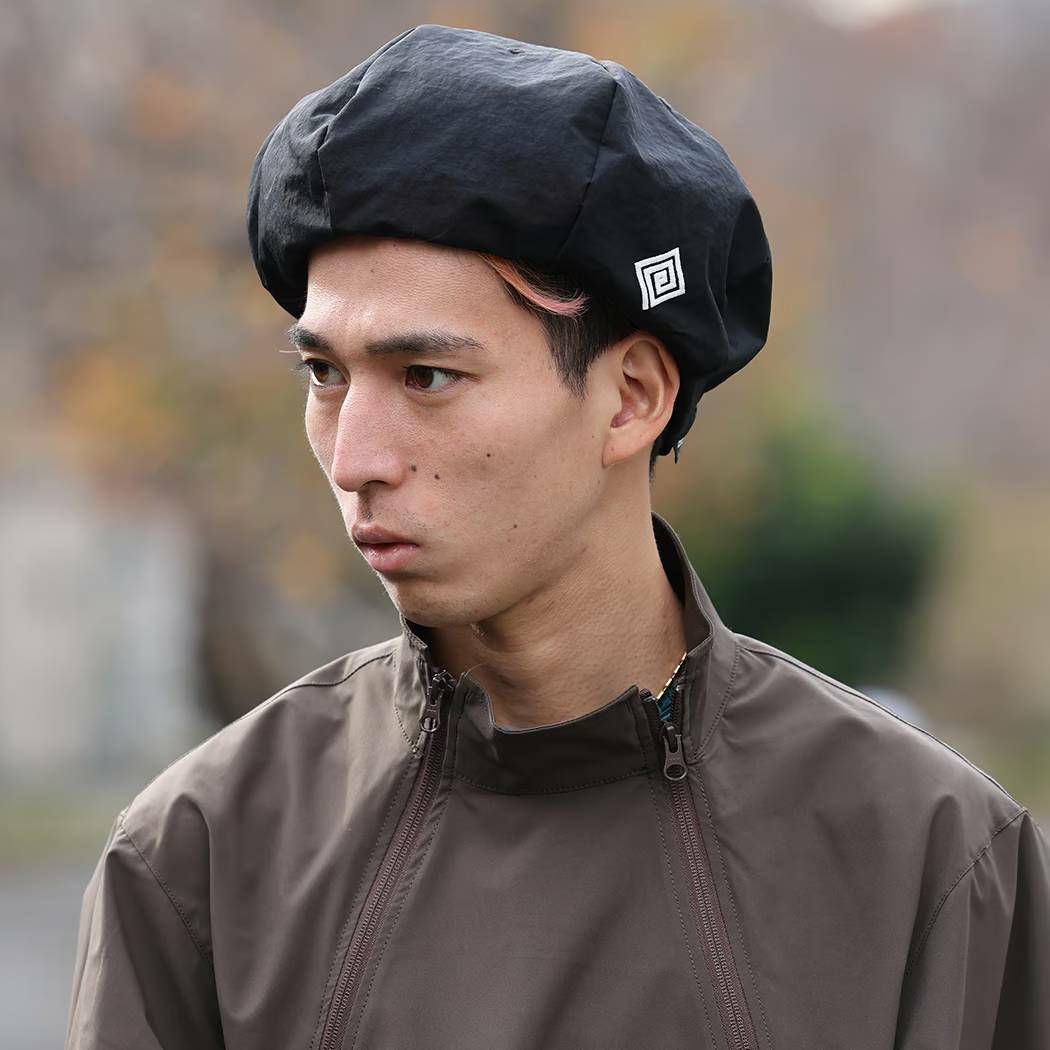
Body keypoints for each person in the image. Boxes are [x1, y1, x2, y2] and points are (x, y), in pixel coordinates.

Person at [66, 23, 1049, 1050]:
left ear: (632, 398)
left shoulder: (931, 861)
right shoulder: (198, 858)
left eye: (427, 376)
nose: (354, 457)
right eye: (325, 374)